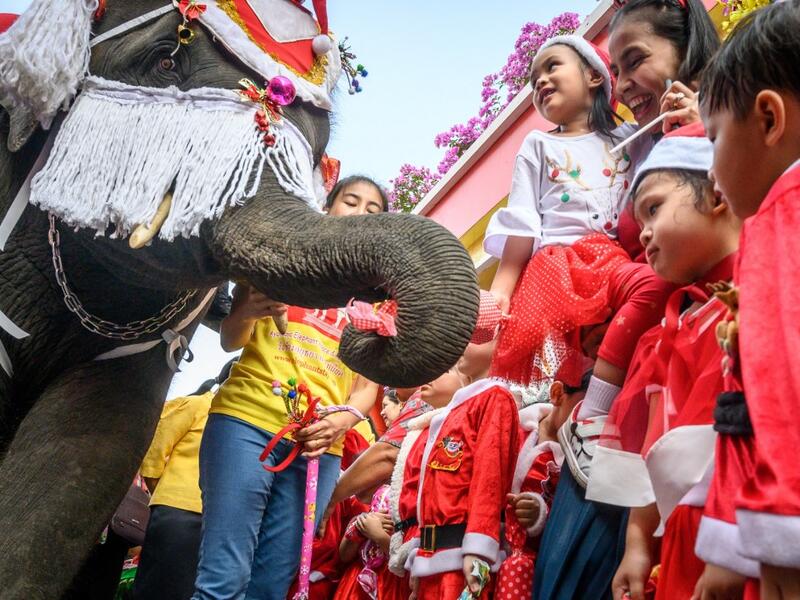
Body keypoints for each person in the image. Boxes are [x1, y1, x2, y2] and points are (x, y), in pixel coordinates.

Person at [534, 3, 720, 598]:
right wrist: (575, 389)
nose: (624, 83)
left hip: (674, 385)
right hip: (617, 397)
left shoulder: (725, 133)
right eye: (615, 68)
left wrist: (711, 128)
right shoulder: (628, 153)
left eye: (636, 59)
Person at [484, 33, 670, 485]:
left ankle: (596, 428)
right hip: (559, 270)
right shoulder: (537, 145)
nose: (540, 81)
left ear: (593, 76)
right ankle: (589, 421)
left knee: (623, 335)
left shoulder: (634, 136)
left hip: (615, 260)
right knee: (593, 353)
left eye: (551, 67)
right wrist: (500, 297)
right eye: (533, 78)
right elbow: (524, 222)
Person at [191, 176, 388, 600]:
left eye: (372, 211)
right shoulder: (277, 263)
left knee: (273, 584)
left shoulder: (376, 304)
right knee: (223, 579)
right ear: (326, 208)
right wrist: (247, 310)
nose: (358, 213)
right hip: (246, 421)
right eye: (350, 201)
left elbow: (366, 390)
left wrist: (343, 420)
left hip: (319, 448)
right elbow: (232, 339)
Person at [602, 124, 743, 600]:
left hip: (750, 525)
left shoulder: (766, 290)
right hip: (683, 544)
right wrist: (638, 542)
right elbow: (653, 453)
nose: (642, 234)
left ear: (718, 192)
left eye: (654, 208)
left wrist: (733, 540)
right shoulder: (663, 336)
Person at [699, 3, 800, 597]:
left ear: (767, 118)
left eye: (714, 136)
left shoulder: (780, 215)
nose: (711, 170)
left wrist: (776, 537)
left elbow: (782, 384)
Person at [409, 342, 520, 599]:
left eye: (474, 336)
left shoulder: (495, 397)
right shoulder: (459, 406)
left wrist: (479, 550)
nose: (460, 345)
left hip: (461, 561)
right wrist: (420, 555)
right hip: (435, 560)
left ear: (500, 341)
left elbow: (489, 478)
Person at [133, 360, 236, 600]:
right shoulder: (198, 405)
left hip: (222, 522)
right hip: (180, 512)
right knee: (160, 589)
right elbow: (154, 453)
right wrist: (166, 494)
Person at [495, 370, 590, 600]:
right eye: (585, 409)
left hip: (534, 574)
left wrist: (540, 516)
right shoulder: (510, 429)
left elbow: (571, 521)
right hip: (485, 555)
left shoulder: (583, 459)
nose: (591, 419)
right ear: (557, 394)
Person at [332, 485, 392, 600]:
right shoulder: (360, 513)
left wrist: (378, 535)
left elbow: (403, 559)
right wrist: (359, 528)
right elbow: (344, 556)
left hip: (389, 584)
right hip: (354, 584)